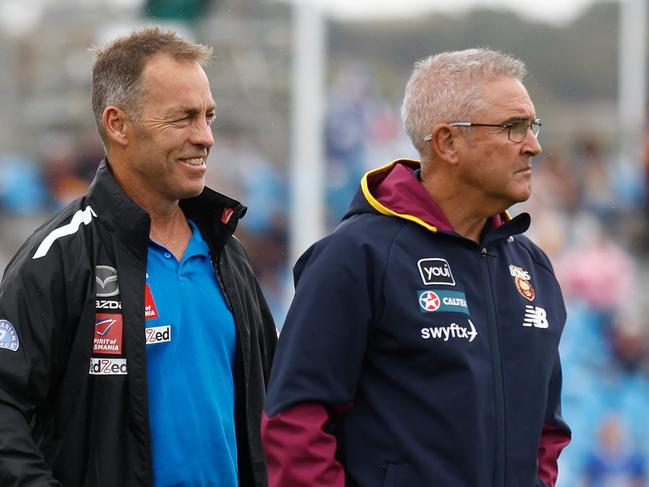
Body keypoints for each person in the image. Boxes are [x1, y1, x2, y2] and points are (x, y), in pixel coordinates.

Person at [261, 48, 571, 487]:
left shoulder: (532, 268)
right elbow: (295, 420)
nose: (533, 145)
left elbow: (548, 429)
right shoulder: (356, 257)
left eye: (531, 126)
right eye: (512, 128)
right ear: (447, 142)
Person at [0, 26, 277, 487]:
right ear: (117, 123)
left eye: (209, 116)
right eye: (183, 118)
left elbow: (272, 408)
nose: (205, 137)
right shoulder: (58, 258)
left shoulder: (228, 254)